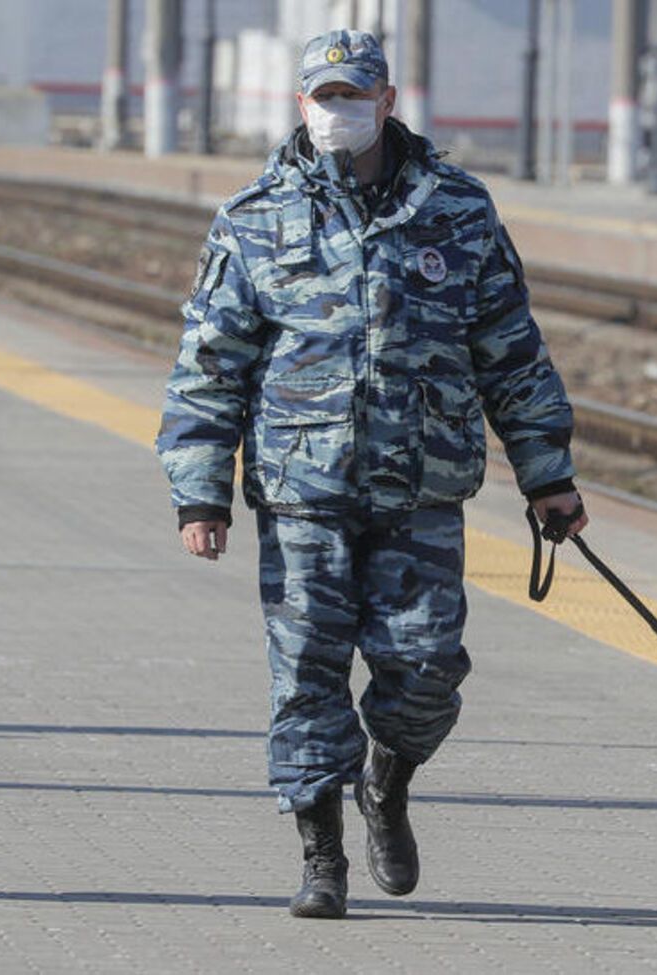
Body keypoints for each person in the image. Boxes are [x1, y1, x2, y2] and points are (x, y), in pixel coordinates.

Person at [155, 29, 587, 920]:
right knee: (307, 676)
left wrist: (548, 473)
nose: (337, 110)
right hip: (300, 492)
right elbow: (210, 363)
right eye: (324, 96)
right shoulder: (254, 216)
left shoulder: (458, 210)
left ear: (388, 102)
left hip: (421, 490)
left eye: (354, 95)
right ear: (301, 103)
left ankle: (386, 780)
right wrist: (200, 488)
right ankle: (321, 856)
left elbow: (510, 353)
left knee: (428, 668)